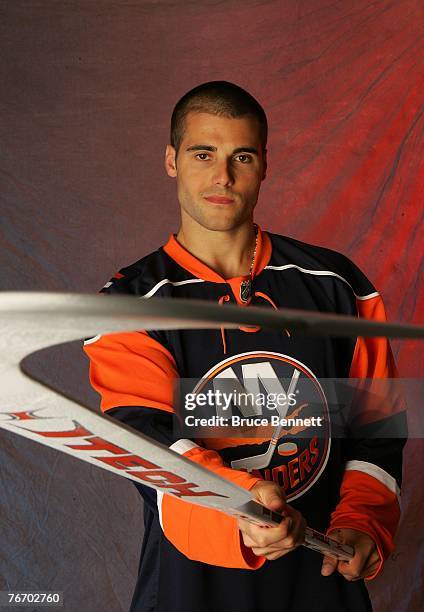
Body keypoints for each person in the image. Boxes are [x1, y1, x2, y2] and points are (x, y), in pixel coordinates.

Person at [83, 81, 406, 612]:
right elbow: (149, 448)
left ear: (265, 165)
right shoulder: (128, 305)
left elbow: (377, 433)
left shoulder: (338, 287)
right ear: (171, 159)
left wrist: (362, 524)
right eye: (203, 154)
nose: (222, 177)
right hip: (189, 592)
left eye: (243, 156)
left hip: (322, 589)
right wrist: (242, 507)